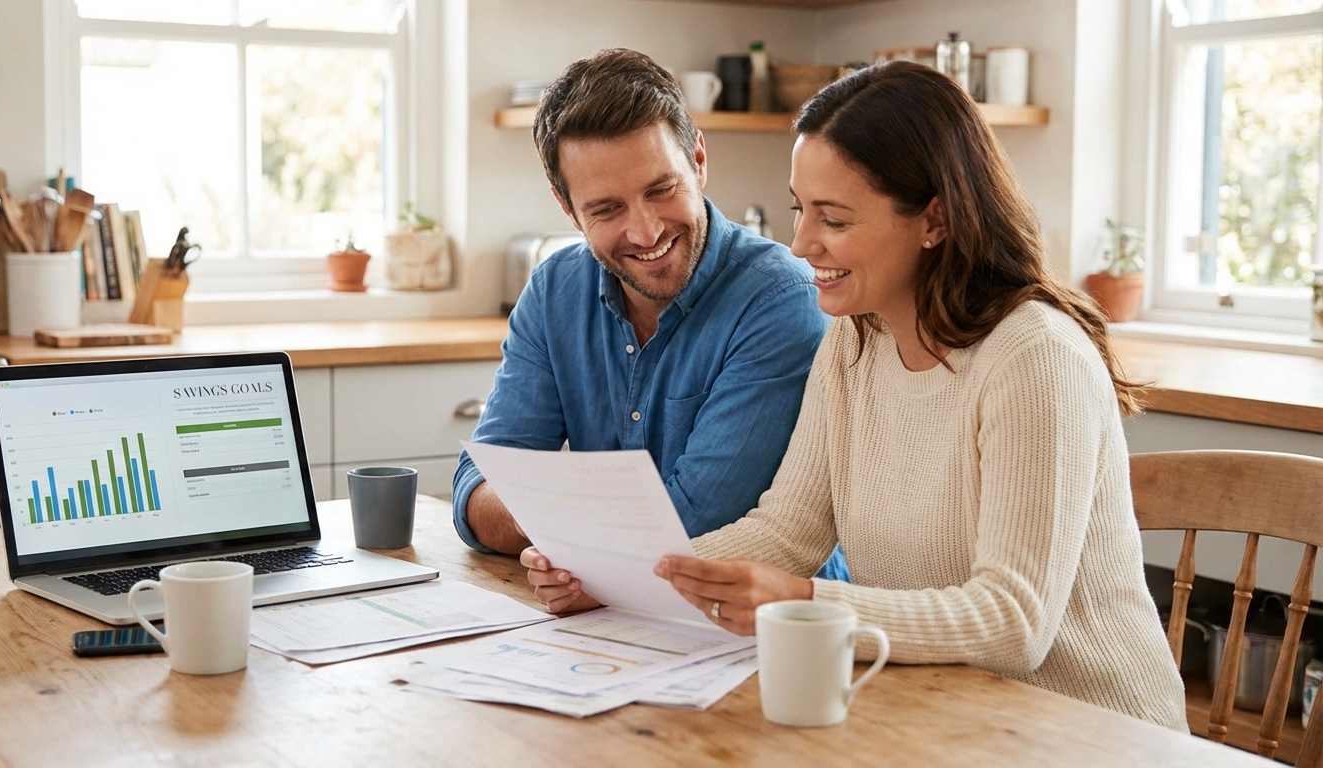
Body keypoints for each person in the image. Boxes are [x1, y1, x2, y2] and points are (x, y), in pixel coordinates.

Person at [523, 61, 1189, 731]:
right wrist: (616, 579)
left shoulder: (1034, 356)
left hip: (1090, 733)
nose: (801, 243)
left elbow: (1014, 623)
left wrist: (808, 600)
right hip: (942, 717)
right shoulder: (855, 343)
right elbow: (788, 530)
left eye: (833, 219)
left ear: (934, 219)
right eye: (800, 209)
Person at [452, 48, 846, 579]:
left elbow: (699, 523)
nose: (645, 232)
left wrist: (562, 528)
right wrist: (585, 543)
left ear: (699, 162)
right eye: (606, 209)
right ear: (568, 209)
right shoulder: (553, 292)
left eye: (661, 190)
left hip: (764, 629)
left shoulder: (779, 299)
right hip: (614, 612)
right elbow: (476, 490)